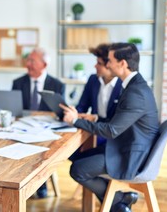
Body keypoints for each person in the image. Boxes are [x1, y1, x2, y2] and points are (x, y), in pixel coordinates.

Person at [60, 43, 159, 212]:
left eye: (111, 61)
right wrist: (95, 117)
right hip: (125, 146)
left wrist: (75, 121)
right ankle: (119, 202)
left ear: (122, 64)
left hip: (131, 156)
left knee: (78, 169)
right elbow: (117, 121)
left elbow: (112, 130)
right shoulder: (134, 85)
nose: (107, 64)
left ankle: (119, 199)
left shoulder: (135, 92)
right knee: (78, 158)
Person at [12, 48, 65, 199]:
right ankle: (19, 182)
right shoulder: (18, 83)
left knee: (43, 148)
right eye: (27, 60)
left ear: (44, 64)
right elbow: (13, 109)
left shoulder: (57, 85)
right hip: (21, 128)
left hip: (46, 132)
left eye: (32, 61)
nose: (28, 64)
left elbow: (59, 113)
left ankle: (41, 182)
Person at [75, 43, 123, 146]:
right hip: (93, 131)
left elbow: (117, 123)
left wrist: (94, 118)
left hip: (112, 137)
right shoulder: (93, 80)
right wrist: (74, 115)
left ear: (109, 65)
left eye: (99, 63)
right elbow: (82, 106)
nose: (95, 66)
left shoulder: (123, 86)